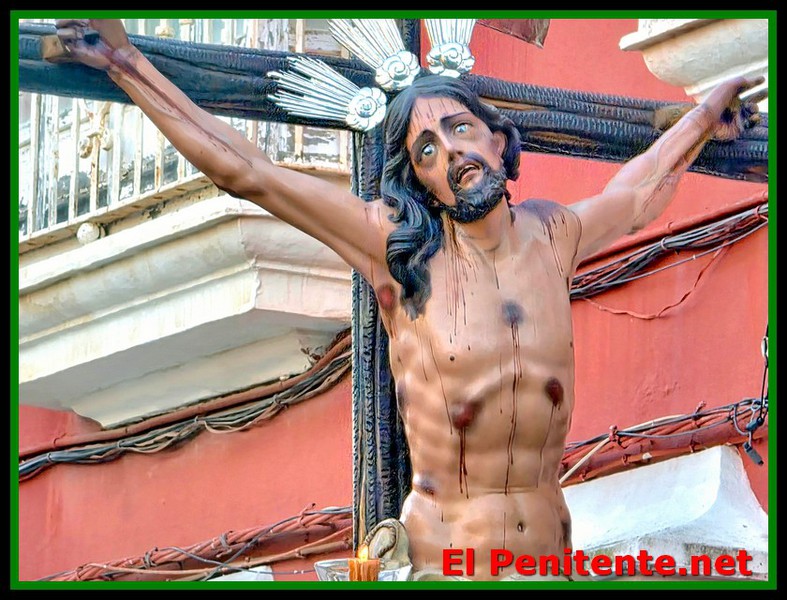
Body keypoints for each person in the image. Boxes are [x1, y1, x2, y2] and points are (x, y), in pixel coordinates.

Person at [55, 19, 763, 581]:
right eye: (425, 151)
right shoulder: (397, 253)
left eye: (458, 128)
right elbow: (250, 173)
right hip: (443, 562)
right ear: (419, 180)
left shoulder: (553, 235)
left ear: (497, 140)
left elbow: (635, 194)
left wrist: (703, 117)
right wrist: (125, 65)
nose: (448, 153)